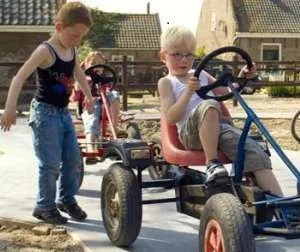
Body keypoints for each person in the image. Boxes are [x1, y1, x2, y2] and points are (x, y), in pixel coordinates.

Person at [158, 26, 283, 196]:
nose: (183, 60)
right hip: (191, 134)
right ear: (163, 56)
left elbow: (227, 91)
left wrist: (242, 77)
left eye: (189, 55)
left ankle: (283, 207)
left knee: (254, 152)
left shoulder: (200, 74)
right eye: (177, 54)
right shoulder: (167, 82)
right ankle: (212, 164)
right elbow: (171, 118)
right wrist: (188, 91)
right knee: (209, 104)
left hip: (218, 129)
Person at [0, 2, 94, 224]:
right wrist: (10, 108)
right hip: (44, 114)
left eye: (81, 37)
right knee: (50, 163)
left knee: (73, 159)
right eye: (74, 35)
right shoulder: (45, 50)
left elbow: (78, 72)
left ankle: (66, 199)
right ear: (59, 26)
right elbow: (19, 77)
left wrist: (89, 97)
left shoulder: (71, 48)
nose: (77, 41)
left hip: (63, 113)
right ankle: (44, 206)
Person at [71, 51, 125, 164]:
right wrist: (77, 88)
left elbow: (110, 94)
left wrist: (107, 90)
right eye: (94, 63)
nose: (97, 65)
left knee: (114, 94)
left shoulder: (105, 80)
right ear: (86, 65)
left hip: (106, 109)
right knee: (92, 121)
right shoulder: (83, 79)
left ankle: (114, 128)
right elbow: (74, 99)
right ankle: (90, 147)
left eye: (100, 63)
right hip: (88, 108)